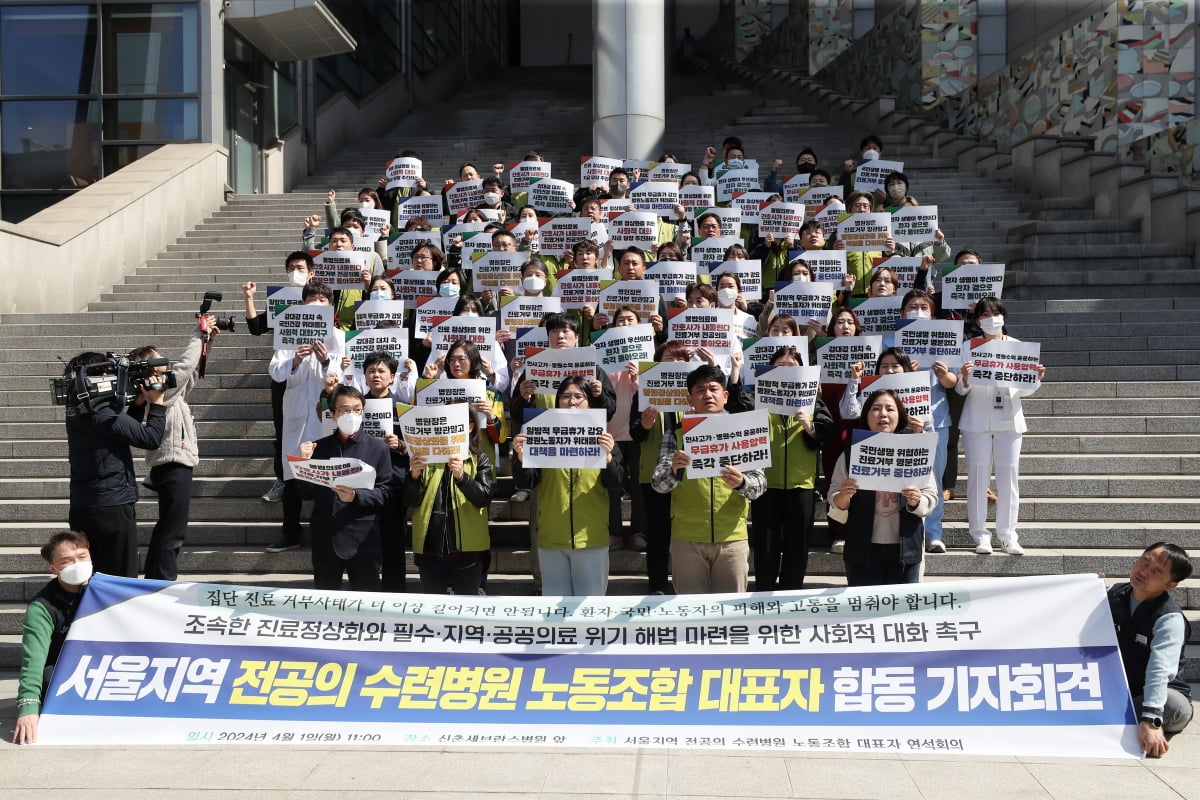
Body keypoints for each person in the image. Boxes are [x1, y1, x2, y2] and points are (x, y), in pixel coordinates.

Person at [651, 364, 766, 594]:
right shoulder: (675, 432)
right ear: (690, 399)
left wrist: (742, 482)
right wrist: (673, 470)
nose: (707, 395)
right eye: (700, 390)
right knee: (690, 614)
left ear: (725, 395)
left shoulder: (743, 429)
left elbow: (760, 484)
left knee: (731, 613)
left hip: (732, 537)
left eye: (713, 389)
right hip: (687, 538)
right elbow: (658, 484)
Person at [129, 315, 220, 581]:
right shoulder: (155, 390)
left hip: (174, 463)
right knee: (173, 529)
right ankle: (163, 580)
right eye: (158, 359)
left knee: (169, 526)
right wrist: (197, 333)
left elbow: (189, 376)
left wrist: (207, 341)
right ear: (148, 368)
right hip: (172, 464)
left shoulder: (165, 391)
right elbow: (183, 368)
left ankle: (157, 577)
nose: (165, 362)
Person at [513, 376, 622, 596]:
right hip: (551, 538)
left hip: (591, 539)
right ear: (557, 401)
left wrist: (609, 458)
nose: (571, 402)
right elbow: (527, 481)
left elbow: (617, 483)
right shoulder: (541, 436)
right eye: (565, 396)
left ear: (589, 402)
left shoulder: (604, 440)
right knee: (554, 614)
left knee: (590, 612)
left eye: (578, 396)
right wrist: (520, 458)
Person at [957, 297, 1045, 556]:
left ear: (1004, 317)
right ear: (978, 320)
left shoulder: (1018, 347)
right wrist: (965, 376)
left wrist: (1035, 378)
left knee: (1009, 476)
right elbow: (961, 389)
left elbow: (1026, 389)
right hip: (976, 419)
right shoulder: (968, 347)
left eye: (996, 313)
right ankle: (980, 535)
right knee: (977, 476)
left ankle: (1008, 535)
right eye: (985, 314)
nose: (991, 318)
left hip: (1008, 418)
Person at [64, 352, 165, 577]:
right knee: (121, 578)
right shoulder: (102, 411)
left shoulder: (80, 409)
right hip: (111, 508)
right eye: (107, 372)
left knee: (90, 578)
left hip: (83, 506)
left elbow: (119, 432)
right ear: (97, 377)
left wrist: (138, 404)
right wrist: (157, 404)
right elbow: (150, 439)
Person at [827, 389, 938, 586]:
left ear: (900, 415)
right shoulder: (850, 454)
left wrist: (917, 501)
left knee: (901, 614)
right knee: (863, 612)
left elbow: (931, 495)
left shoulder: (915, 451)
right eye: (876, 409)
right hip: (861, 550)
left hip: (905, 550)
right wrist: (843, 496)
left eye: (890, 409)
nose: (883, 414)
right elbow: (834, 496)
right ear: (866, 415)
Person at [265, 281, 344, 553]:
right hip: (297, 413)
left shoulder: (338, 336)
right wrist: (295, 361)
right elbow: (276, 372)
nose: (317, 303)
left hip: (325, 416)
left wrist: (325, 362)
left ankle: (327, 531)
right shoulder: (290, 333)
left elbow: (342, 378)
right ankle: (290, 532)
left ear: (330, 306)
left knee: (326, 472)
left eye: (322, 300)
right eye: (312, 299)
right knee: (292, 473)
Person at [751, 347, 833, 590]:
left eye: (792, 366)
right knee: (766, 543)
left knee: (798, 543)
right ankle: (764, 591)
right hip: (765, 482)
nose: (786, 370)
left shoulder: (813, 402)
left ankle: (791, 591)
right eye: (780, 365)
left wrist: (810, 427)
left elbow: (827, 432)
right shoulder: (757, 398)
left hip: (801, 483)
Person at [296, 385, 392, 591]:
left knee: (367, 603)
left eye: (357, 409)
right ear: (332, 414)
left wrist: (356, 496)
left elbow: (384, 492)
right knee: (326, 602)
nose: (351, 414)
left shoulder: (379, 448)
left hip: (364, 539)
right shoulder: (317, 448)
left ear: (363, 412)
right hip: (326, 539)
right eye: (345, 410)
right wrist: (303, 464)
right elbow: (305, 493)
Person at [1107, 542, 1194, 757]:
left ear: (1170, 585)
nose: (1143, 572)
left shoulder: (1169, 618)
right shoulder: (1115, 594)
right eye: (1144, 561)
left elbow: (1159, 671)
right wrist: (1087, 591)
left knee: (1170, 705)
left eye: (1156, 571)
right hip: (1124, 689)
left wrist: (1152, 720)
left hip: (1166, 694)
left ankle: (1147, 722)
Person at [242, 250, 313, 503]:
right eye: (292, 267)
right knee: (283, 431)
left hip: (314, 376)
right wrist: (249, 298)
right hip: (285, 374)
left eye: (301, 267)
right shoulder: (281, 300)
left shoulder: (321, 298)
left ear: (311, 273)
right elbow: (256, 327)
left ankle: (314, 480)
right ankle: (283, 479)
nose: (296, 271)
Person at [402, 406, 494, 594]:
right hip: (430, 549)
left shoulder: (479, 459)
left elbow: (483, 497)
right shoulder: (423, 459)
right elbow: (409, 500)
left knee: (466, 607)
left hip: (469, 552)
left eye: (456, 424)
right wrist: (413, 476)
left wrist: (462, 477)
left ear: (470, 427)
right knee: (433, 608)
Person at [14, 530, 92, 744]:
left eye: (82, 557)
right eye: (67, 561)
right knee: (52, 681)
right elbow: (34, 660)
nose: (77, 564)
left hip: (104, 666)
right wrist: (28, 707)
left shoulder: (106, 590)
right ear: (53, 568)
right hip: (64, 670)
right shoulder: (41, 608)